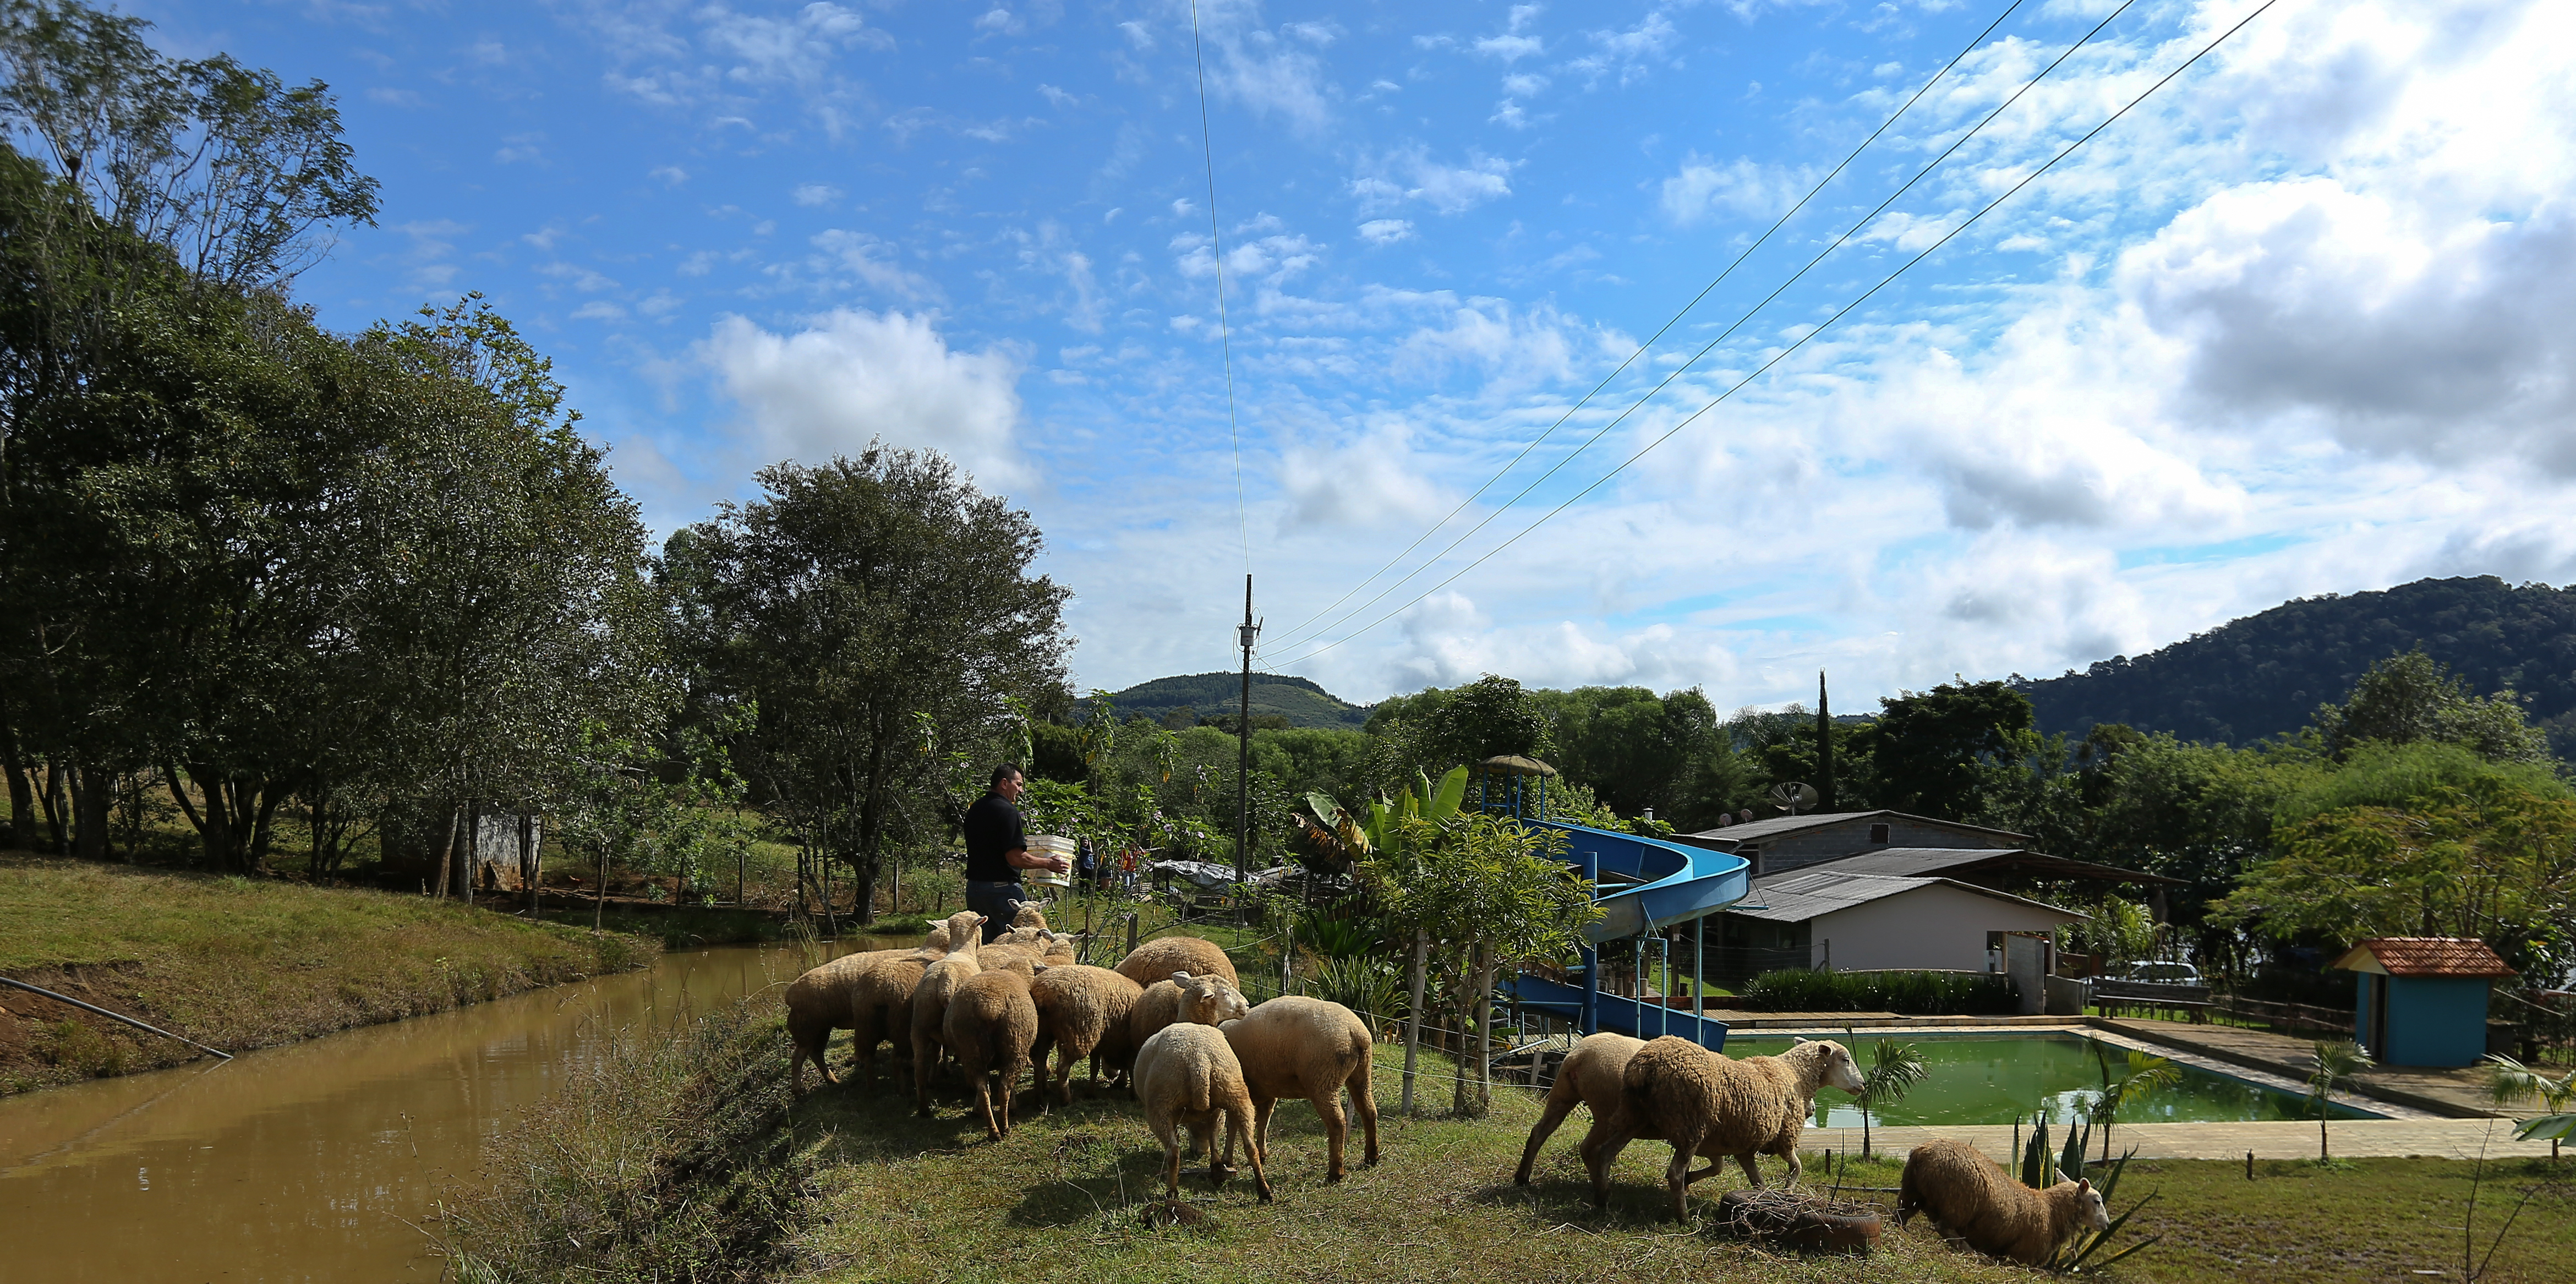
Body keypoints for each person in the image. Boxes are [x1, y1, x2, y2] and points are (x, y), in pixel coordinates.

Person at [961, 764, 1068, 942]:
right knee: (1024, 943)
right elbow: (1015, 857)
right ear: (1004, 783)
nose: (1021, 790)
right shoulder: (1008, 812)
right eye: (1018, 784)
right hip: (1002, 891)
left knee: (987, 949)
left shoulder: (975, 809)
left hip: (975, 890)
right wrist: (1049, 864)